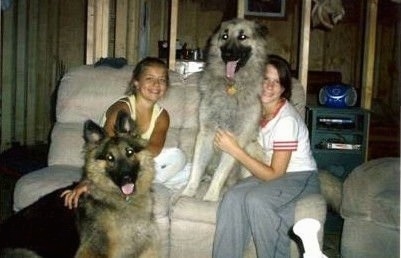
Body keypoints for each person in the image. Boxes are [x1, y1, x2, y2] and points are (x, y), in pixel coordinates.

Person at [212, 54, 320, 258]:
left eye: (276, 82)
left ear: (283, 89)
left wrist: (234, 149)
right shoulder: (256, 109)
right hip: (272, 172)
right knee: (233, 197)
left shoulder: (286, 121)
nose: (269, 86)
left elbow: (275, 175)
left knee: (257, 201)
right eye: (265, 78)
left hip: (299, 176)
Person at [62, 57, 189, 208]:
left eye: (162, 79)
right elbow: (105, 150)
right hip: (116, 164)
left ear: (166, 86)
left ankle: (140, 181)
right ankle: (131, 183)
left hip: (138, 162)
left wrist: (134, 158)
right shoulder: (122, 109)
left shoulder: (162, 116)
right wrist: (86, 182)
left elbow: (155, 149)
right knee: (180, 166)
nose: (156, 84)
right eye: (149, 78)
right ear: (136, 83)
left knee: (182, 161)